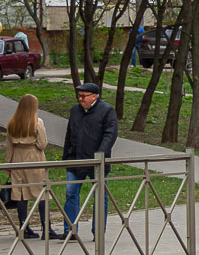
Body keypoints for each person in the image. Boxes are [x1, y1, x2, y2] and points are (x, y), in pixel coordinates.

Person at [60, 82, 118, 241]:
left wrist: (100, 155)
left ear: (94, 96)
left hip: (97, 163)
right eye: (78, 96)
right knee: (71, 193)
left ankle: (98, 231)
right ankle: (70, 230)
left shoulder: (106, 111)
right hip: (75, 160)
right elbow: (69, 133)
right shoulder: (75, 110)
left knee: (100, 197)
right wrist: (66, 156)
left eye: (83, 96)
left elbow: (110, 135)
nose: (80, 99)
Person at [5, 94, 61, 240]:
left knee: (20, 193)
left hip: (17, 159)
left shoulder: (12, 123)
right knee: (41, 193)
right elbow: (42, 143)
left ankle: (24, 227)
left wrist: (8, 163)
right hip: (34, 157)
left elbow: (9, 146)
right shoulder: (37, 122)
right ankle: (46, 227)